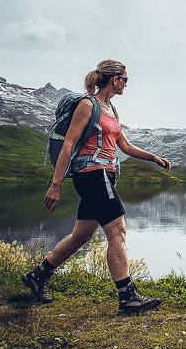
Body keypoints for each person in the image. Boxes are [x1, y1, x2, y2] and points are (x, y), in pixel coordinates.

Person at [22, 59, 172, 314]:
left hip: (105, 175)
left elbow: (124, 145)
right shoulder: (87, 105)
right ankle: (127, 296)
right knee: (118, 231)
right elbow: (68, 144)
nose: (127, 84)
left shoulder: (111, 109)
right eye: (125, 79)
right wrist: (56, 184)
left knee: (82, 235)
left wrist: (153, 157)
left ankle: (37, 275)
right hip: (92, 174)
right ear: (114, 79)